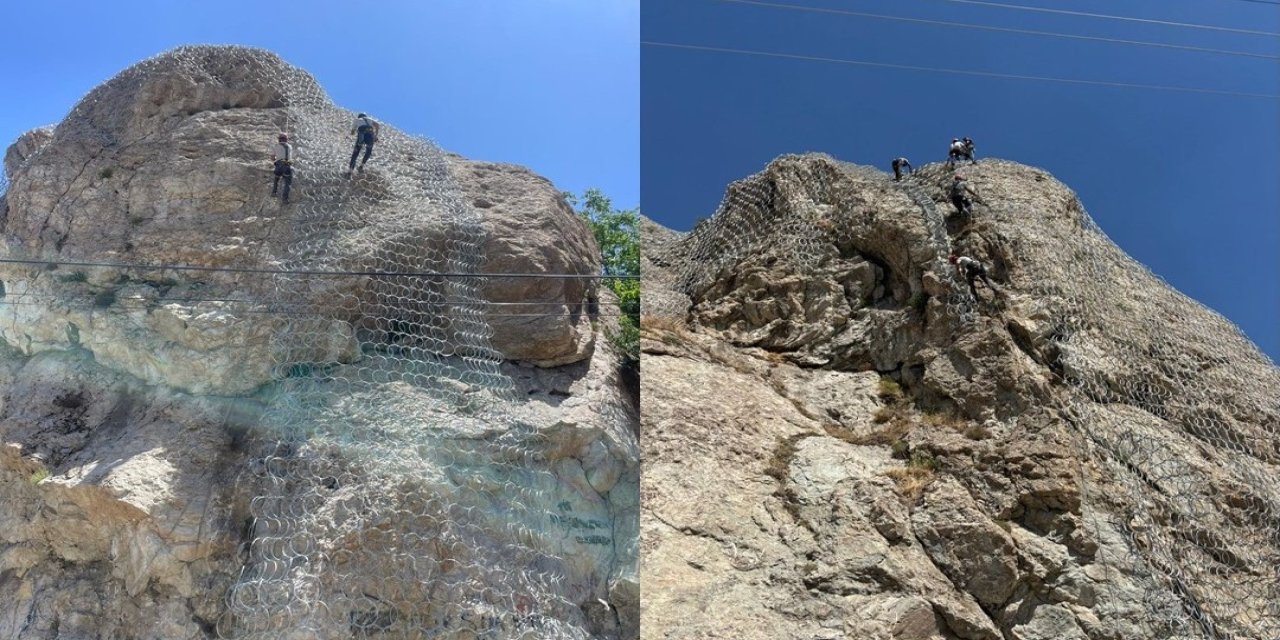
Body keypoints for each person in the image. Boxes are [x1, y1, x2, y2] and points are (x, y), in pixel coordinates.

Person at [270, 133, 293, 203]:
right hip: (287, 165)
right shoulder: (290, 146)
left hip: (278, 165)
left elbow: (272, 158)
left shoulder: (275, 146)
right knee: (287, 183)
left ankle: (274, 192)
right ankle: (285, 199)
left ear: (279, 140)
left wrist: (276, 158)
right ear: (286, 139)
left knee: (276, 178)